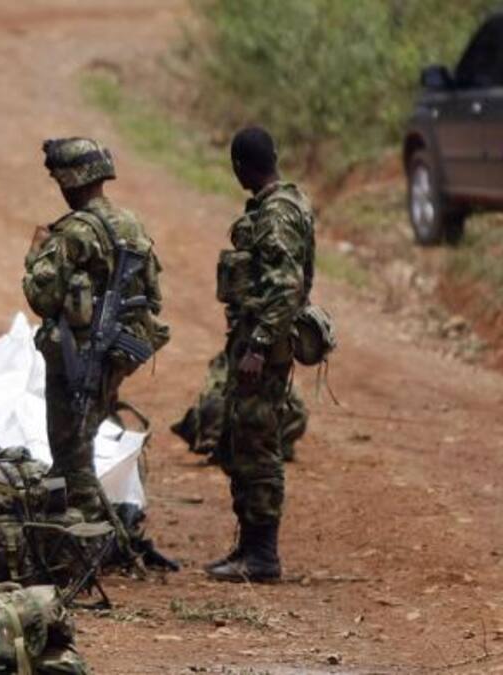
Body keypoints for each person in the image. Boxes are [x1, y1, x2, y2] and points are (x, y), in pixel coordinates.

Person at [21, 138, 170, 521]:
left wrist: (35, 256)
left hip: (79, 357)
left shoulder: (72, 233)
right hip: (121, 351)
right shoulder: (130, 223)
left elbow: (43, 298)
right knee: (85, 433)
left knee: (71, 446)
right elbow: (153, 296)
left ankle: (86, 522)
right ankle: (82, 510)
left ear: (71, 181)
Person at [205, 126, 315, 583]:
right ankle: (250, 547)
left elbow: (286, 287)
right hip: (257, 340)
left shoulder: (276, 216)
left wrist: (258, 345)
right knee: (243, 438)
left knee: (257, 443)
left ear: (240, 167)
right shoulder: (285, 204)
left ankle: (263, 555)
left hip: (262, 348)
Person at [171, 350, 309, 462]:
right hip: (293, 419)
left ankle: (230, 445)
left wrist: (212, 438)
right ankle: (279, 444)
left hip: (266, 418)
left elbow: (216, 398)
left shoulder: (228, 360)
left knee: (219, 402)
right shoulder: (269, 354)